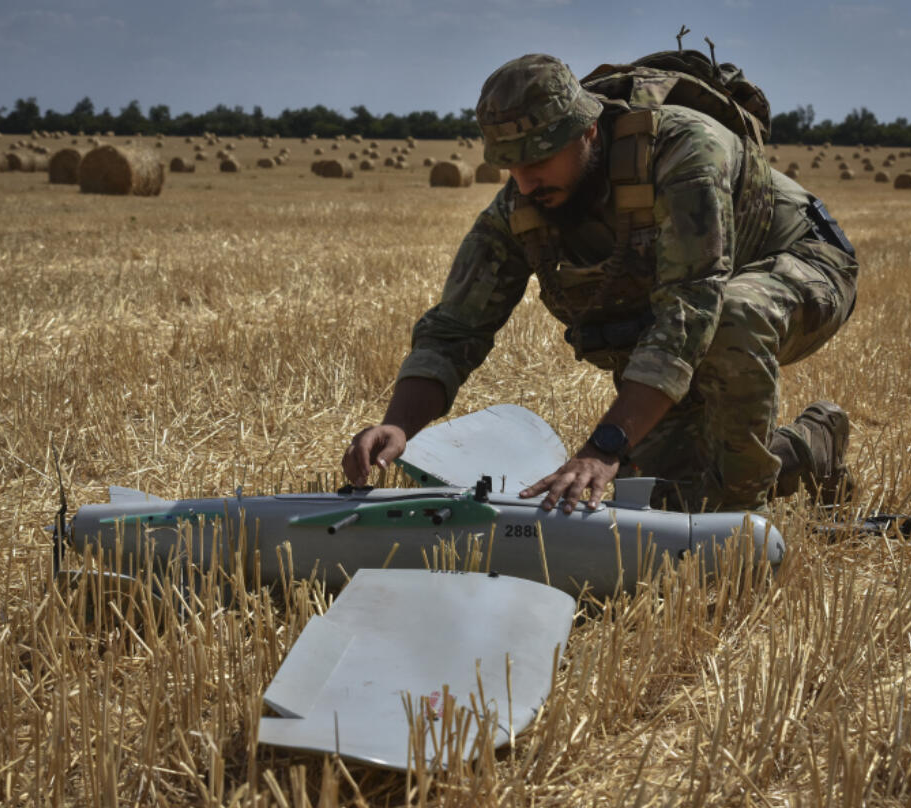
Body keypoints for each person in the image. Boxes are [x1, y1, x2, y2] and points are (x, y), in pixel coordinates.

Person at [342, 54, 858, 514]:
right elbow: (455, 326)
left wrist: (604, 447)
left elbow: (693, 306)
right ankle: (811, 447)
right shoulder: (521, 206)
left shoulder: (683, 151)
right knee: (671, 504)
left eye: (538, 159)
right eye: (511, 164)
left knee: (732, 318)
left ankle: (742, 521)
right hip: (691, 319)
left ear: (588, 131)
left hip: (801, 267)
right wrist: (400, 425)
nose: (524, 181)